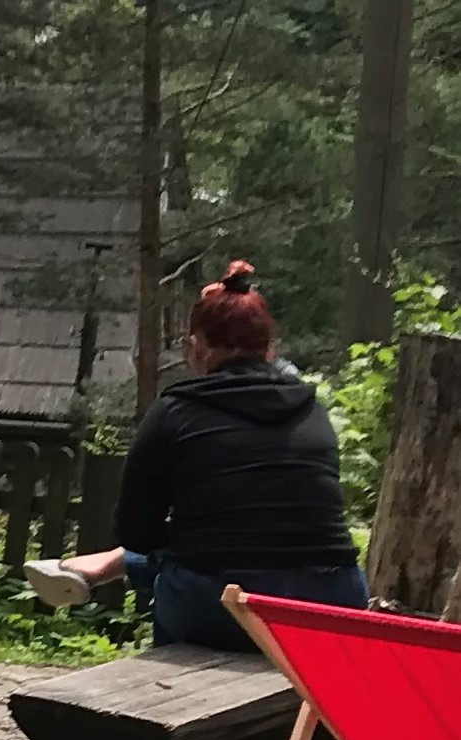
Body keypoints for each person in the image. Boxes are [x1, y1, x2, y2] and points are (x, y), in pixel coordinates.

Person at [23, 261, 366, 653]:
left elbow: (138, 532)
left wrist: (179, 540)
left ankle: (112, 579)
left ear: (195, 348)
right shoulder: (312, 409)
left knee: (190, 565)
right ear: (270, 349)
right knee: (215, 549)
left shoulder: (175, 411)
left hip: (223, 607)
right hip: (331, 607)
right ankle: (108, 565)